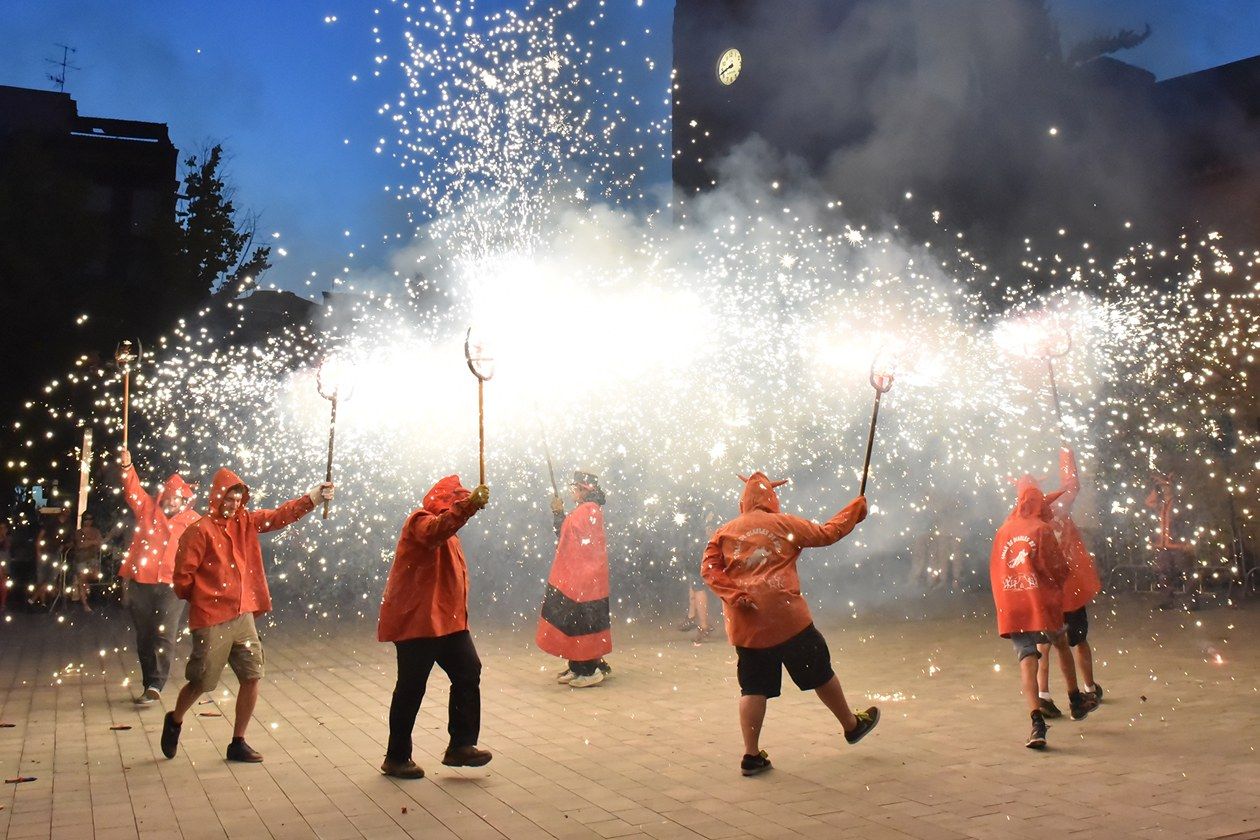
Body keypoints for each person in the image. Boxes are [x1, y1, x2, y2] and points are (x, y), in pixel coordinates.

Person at [702, 472, 877, 776]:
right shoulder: (784, 524)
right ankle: (851, 725)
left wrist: (736, 595)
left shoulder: (723, 533)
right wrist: (855, 509)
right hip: (788, 620)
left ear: (744, 501)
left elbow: (709, 570)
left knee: (753, 688)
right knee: (820, 673)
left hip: (748, 626)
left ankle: (751, 755)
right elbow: (828, 533)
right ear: (771, 498)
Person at [159, 468, 332, 763]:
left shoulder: (245, 522)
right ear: (217, 497)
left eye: (238, 499)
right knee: (202, 682)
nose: (234, 504)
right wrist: (206, 599)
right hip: (212, 618)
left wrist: (314, 498)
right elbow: (182, 578)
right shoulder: (199, 531)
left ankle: (238, 741)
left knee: (252, 675)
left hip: (243, 616)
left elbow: (279, 516)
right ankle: (174, 719)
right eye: (229, 498)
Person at [377, 475, 493, 779]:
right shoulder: (419, 521)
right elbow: (435, 532)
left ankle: (461, 745)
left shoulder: (451, 533)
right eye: (457, 499)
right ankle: (396, 757)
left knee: (468, 671)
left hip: (448, 623)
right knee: (411, 688)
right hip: (418, 622)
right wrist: (467, 507)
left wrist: (465, 509)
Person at [990, 483, 1097, 751]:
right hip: (1040, 603)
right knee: (1060, 643)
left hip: (1014, 605)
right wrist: (1055, 586)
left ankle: (1037, 723)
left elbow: (996, 569)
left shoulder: (1003, 530)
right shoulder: (1042, 530)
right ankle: (1075, 700)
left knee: (1027, 658)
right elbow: (1058, 568)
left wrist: (1006, 599)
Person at [118, 448, 200, 705]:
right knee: (144, 635)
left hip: (172, 586)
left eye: (178, 498)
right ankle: (148, 681)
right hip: (141, 581)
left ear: (184, 500)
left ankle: (156, 683)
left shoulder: (193, 521)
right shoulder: (147, 508)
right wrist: (127, 467)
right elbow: (132, 489)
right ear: (163, 495)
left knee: (164, 633)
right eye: (170, 497)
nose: (173, 502)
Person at [1034, 449, 1104, 717]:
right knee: (1078, 640)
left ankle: (1043, 696)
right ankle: (1088, 688)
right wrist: (1066, 452)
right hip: (1068, 591)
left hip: (1044, 594)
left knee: (1044, 644)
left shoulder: (1031, 521)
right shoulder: (1059, 510)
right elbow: (1072, 485)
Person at [537, 470, 614, 688]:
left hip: (585, 577)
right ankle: (578, 665)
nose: (572, 491)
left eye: (575, 488)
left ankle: (589, 669)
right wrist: (560, 514)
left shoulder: (588, 511)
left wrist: (559, 514)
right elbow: (567, 533)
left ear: (583, 490)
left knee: (582, 622)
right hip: (582, 576)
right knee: (576, 621)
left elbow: (565, 534)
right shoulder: (586, 510)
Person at [1147, 471, 1198, 610]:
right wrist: (1156, 489)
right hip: (1163, 543)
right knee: (1163, 573)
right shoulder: (1161, 503)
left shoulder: (1179, 502)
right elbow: (1149, 503)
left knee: (1186, 571)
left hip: (1178, 543)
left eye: (1166, 486)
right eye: (1162, 487)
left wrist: (1188, 540)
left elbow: (1188, 522)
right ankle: (1167, 600)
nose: (1164, 489)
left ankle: (1191, 601)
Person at [70, 513, 104, 612]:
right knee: (82, 580)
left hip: (93, 558)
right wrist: (92, 542)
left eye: (90, 519)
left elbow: (99, 542)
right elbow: (80, 545)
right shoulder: (78, 532)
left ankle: (88, 592)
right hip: (81, 559)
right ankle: (85, 604)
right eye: (86, 519)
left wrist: (88, 542)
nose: (88, 521)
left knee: (95, 576)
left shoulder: (96, 531)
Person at [0, 520, 12, 612]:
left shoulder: (8, 538)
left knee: (4, 584)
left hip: (4, 562)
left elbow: (7, 546)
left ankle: (3, 604)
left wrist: (4, 536)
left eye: (3, 528)